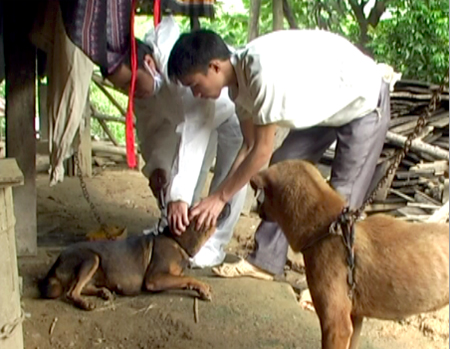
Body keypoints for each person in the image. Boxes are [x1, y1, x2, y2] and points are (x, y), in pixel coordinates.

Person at [167, 29, 400, 279]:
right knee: (283, 166)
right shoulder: (238, 90)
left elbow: (261, 152)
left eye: (194, 85)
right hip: (328, 106)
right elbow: (248, 146)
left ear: (214, 67)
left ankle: (334, 280)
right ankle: (266, 261)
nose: (195, 94)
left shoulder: (261, 74)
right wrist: (216, 197)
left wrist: (221, 198)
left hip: (363, 99)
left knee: (342, 195)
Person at [122, 17, 247, 268]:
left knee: (229, 175)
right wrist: (158, 166)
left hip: (231, 109)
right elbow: (153, 127)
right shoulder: (145, 88)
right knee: (187, 181)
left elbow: (195, 131)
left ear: (148, 64)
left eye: (132, 83)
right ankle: (180, 236)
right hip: (200, 121)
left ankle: (214, 245)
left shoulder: (178, 72)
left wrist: (178, 195)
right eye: (124, 87)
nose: (131, 90)